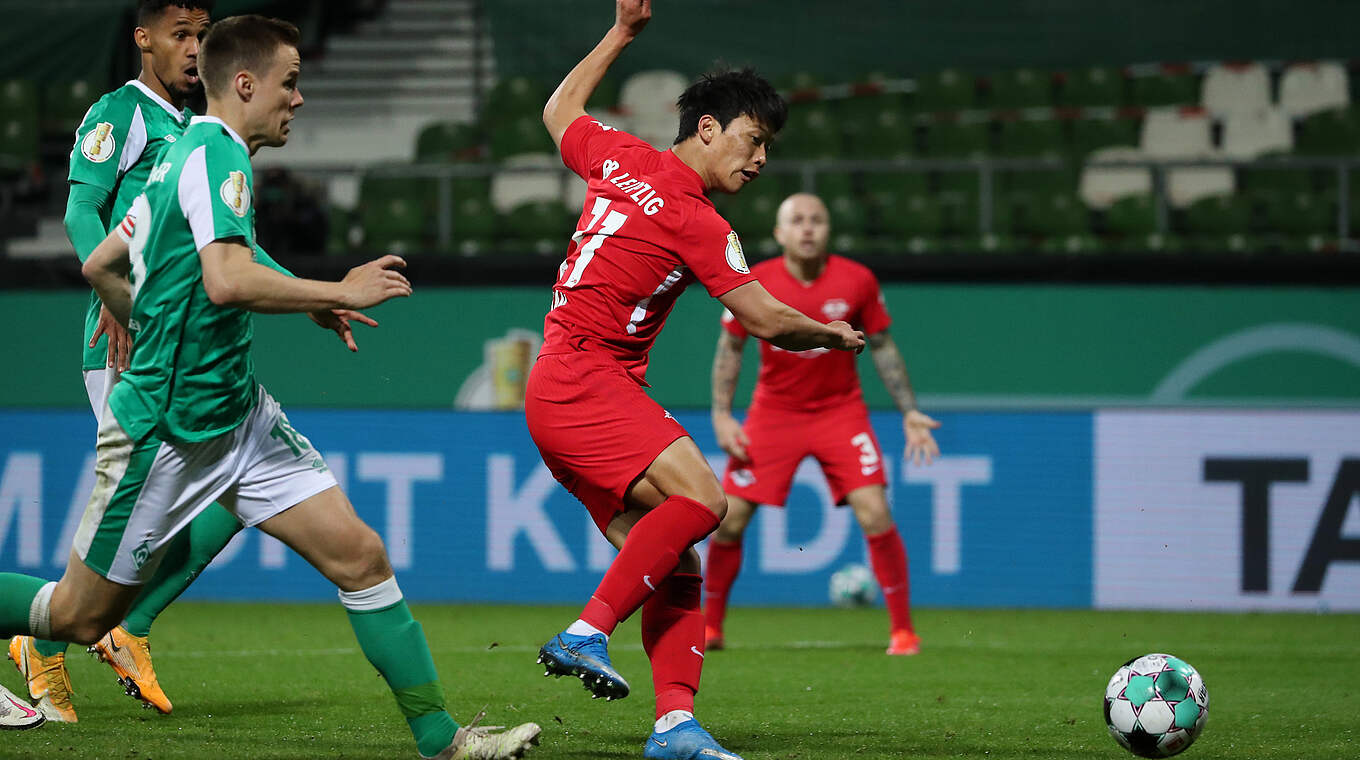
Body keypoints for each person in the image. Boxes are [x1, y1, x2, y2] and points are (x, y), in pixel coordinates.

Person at [0, 16, 540, 759]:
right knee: (78, 618)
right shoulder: (215, 152)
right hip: (165, 431)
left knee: (361, 557)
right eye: (290, 82)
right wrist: (340, 286)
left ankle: (444, 741)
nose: (300, 99)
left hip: (240, 419)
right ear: (245, 85)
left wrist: (193, 312)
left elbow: (102, 262)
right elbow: (224, 280)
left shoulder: (183, 154)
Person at [526, 2, 864, 758]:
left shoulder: (616, 154)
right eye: (753, 140)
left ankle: (674, 726)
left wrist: (621, 34)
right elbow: (769, 320)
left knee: (673, 558)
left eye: (768, 147)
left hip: (555, 385)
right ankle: (586, 631)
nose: (760, 160)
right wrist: (831, 334)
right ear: (706, 128)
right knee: (705, 499)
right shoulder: (701, 222)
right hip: (587, 375)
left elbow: (557, 109)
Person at [8, 0, 226, 722]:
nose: (195, 49)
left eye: (203, 35)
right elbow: (81, 210)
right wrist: (112, 287)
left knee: (216, 504)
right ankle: (51, 640)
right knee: (143, 504)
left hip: (181, 343)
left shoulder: (197, 129)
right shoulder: (119, 113)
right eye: (180, 35)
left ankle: (110, 628)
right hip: (125, 339)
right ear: (144, 39)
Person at [706, 193, 941, 657]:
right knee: (728, 522)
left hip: (841, 411)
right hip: (774, 412)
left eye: (817, 219)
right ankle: (710, 628)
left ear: (829, 229)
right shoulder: (752, 282)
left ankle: (903, 632)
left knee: (875, 511)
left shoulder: (857, 280)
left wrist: (909, 410)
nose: (808, 228)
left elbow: (883, 346)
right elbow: (731, 348)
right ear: (779, 233)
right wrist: (720, 414)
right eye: (797, 220)